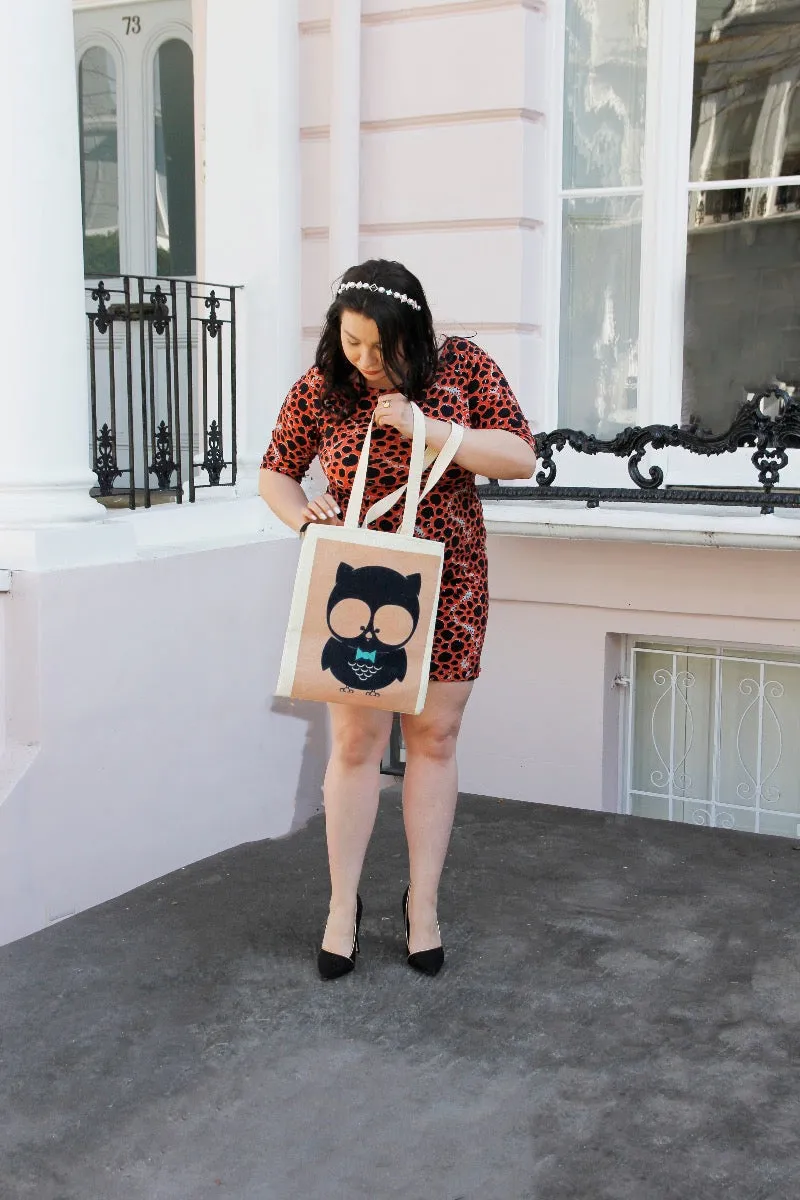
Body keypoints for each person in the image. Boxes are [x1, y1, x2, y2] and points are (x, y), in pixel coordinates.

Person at [259, 259, 536, 979]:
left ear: (416, 333)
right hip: (357, 587)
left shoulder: (465, 368)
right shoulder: (324, 386)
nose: (367, 362)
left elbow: (518, 455)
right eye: (353, 344)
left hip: (449, 586)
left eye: (382, 349)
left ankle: (423, 906)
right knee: (354, 744)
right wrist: (302, 518)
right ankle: (342, 906)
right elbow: (275, 471)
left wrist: (430, 428)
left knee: (434, 739)